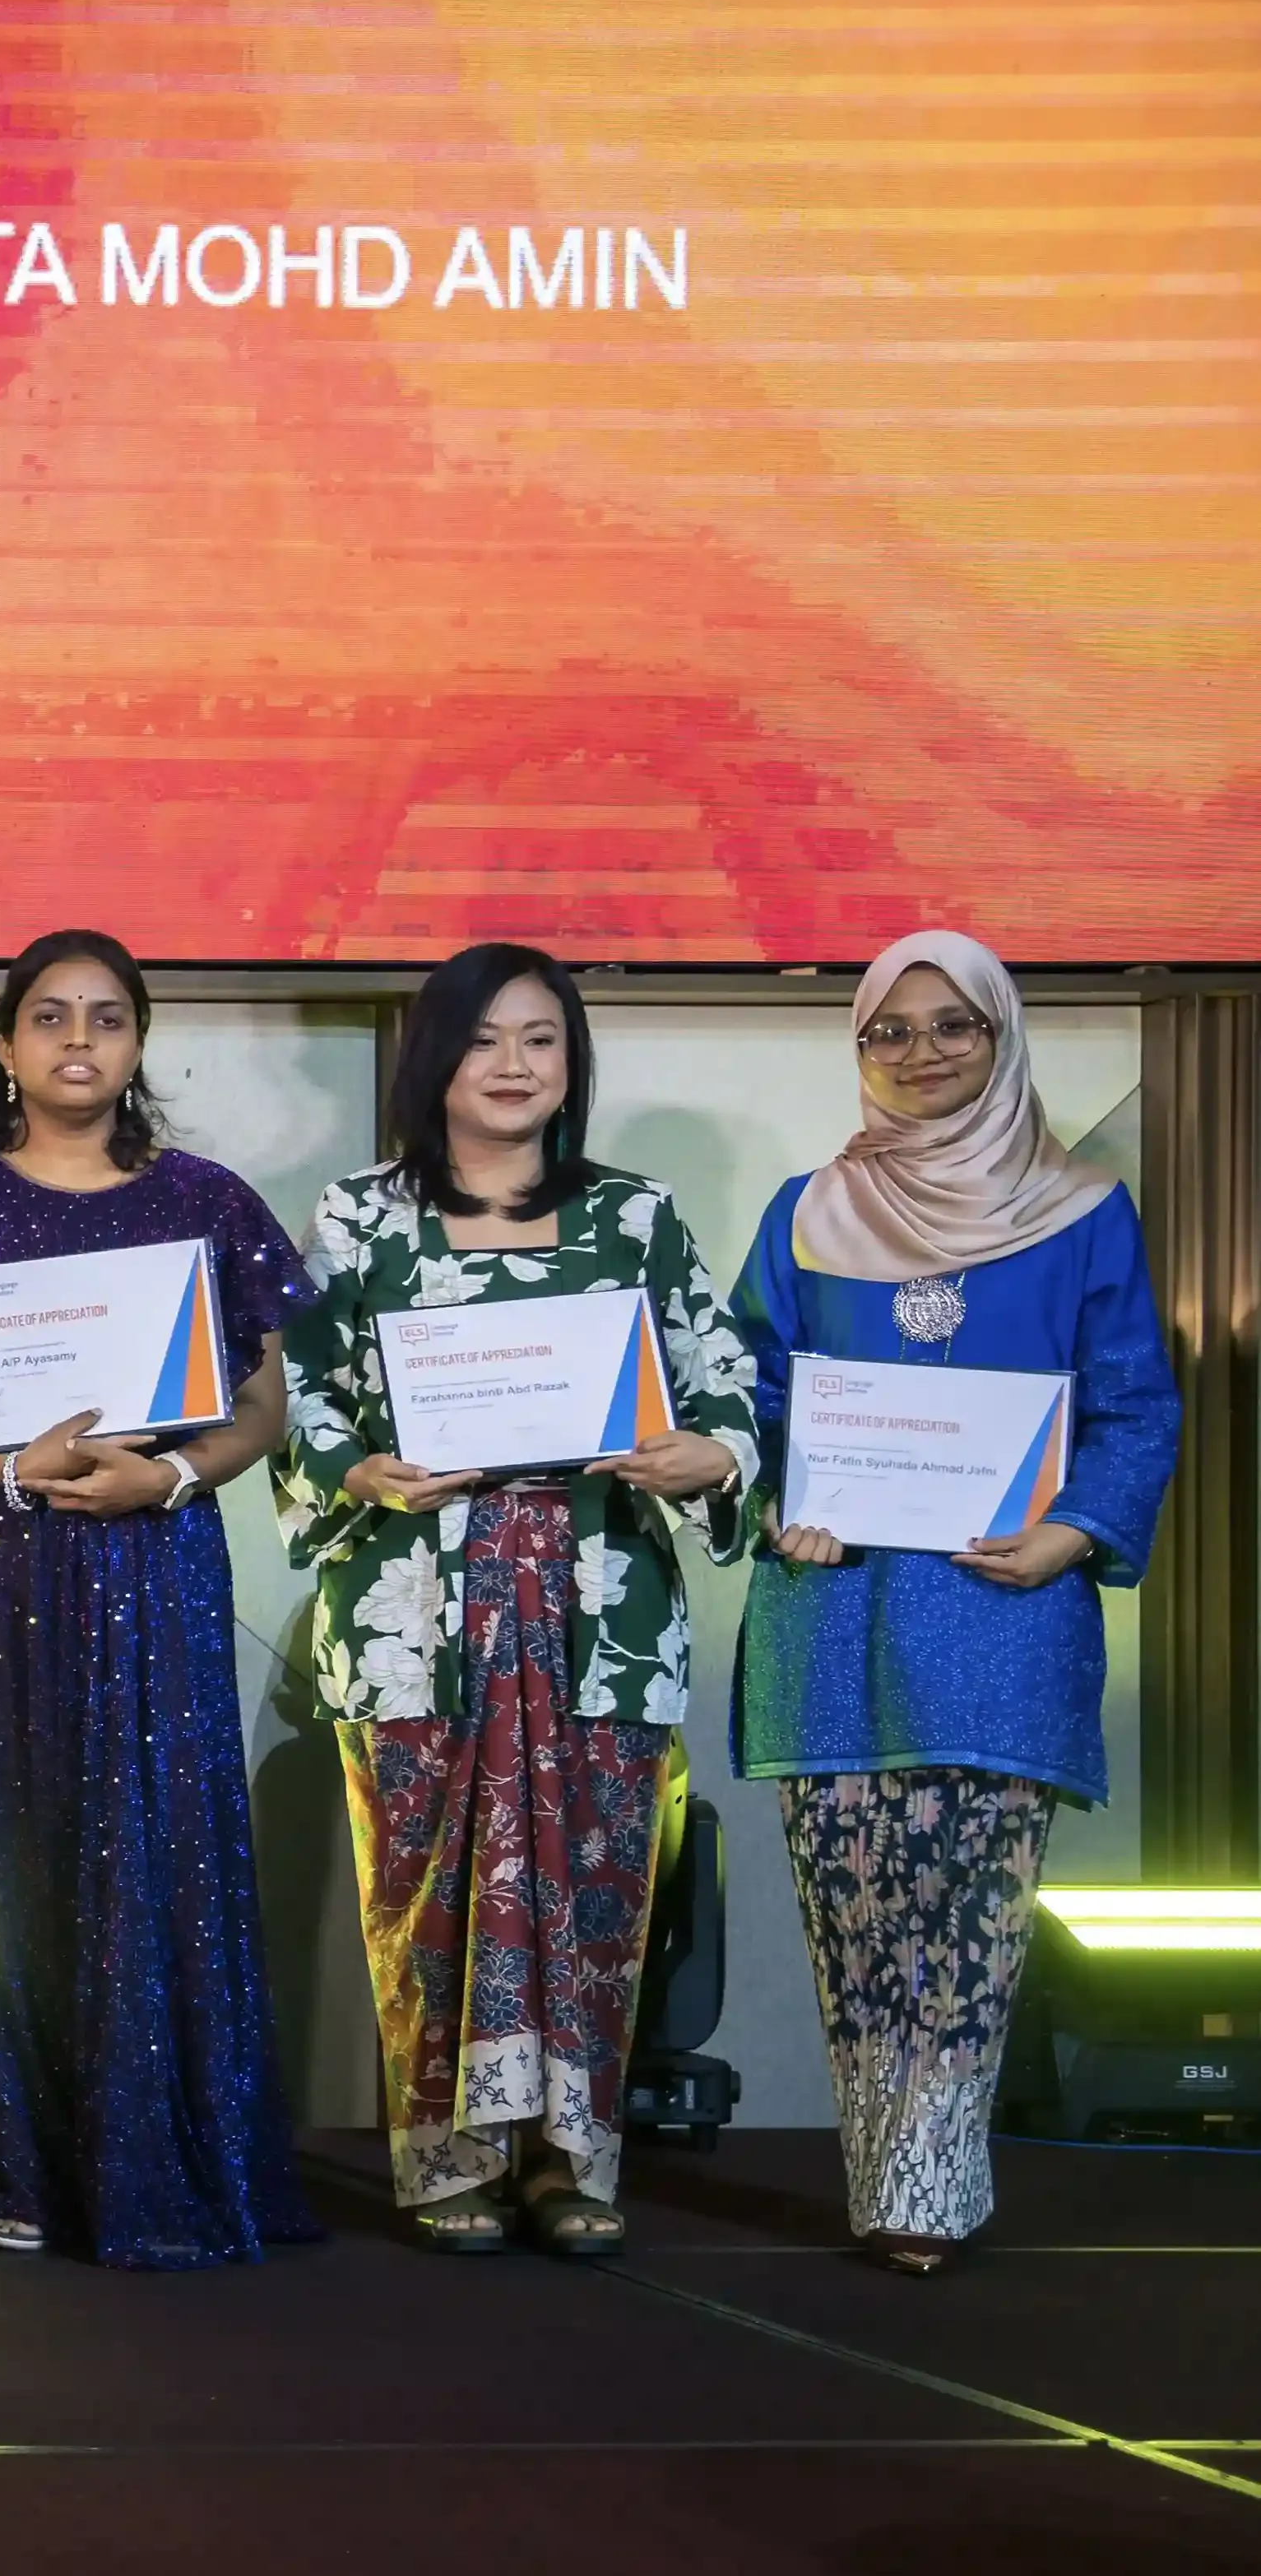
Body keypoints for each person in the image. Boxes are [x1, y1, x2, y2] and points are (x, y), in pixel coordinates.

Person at [278, 942, 763, 2259]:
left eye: (540, 1040)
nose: (511, 1064)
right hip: (412, 1605)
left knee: (599, 1879)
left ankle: (571, 2157)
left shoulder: (636, 1217)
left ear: (572, 1064)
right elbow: (298, 1405)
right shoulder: (359, 1217)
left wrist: (707, 1453)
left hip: (599, 1603)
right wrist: (352, 1469)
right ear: (434, 1056)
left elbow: (724, 1386)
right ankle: (446, 2156)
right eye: (484, 1038)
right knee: (425, 1885)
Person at [0, 933, 320, 2267]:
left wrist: (172, 1475)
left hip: (154, 1552)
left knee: (162, 1848)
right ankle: (25, 2168)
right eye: (50, 1016)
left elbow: (263, 1399)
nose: (80, 1039)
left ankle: (172, 2155)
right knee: (0, 1860)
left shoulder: (206, 1199)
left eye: (109, 1018)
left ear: (137, 1045)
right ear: (4, 1044)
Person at [732, 930, 1176, 2272]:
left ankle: (932, 2182)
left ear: (1000, 1035)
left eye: (953, 1026)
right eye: (889, 1031)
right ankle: (890, 2175)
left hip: (1002, 1612)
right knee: (860, 1910)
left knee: (969, 1910)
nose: (920, 1053)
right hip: (837, 1608)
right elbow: (749, 1397)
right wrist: (770, 1496)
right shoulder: (807, 1214)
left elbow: (1134, 1405)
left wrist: (1072, 1533)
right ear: (858, 1046)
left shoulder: (1083, 1210)